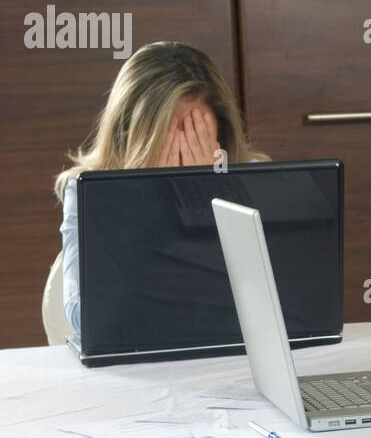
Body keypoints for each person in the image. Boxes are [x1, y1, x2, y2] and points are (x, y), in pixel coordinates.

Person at [53, 41, 268, 335]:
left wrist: (209, 198)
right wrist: (145, 201)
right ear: (128, 135)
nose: (182, 150)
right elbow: (84, 316)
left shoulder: (257, 179)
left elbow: (270, 303)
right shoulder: (87, 192)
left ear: (220, 132)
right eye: (165, 135)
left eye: (195, 132)